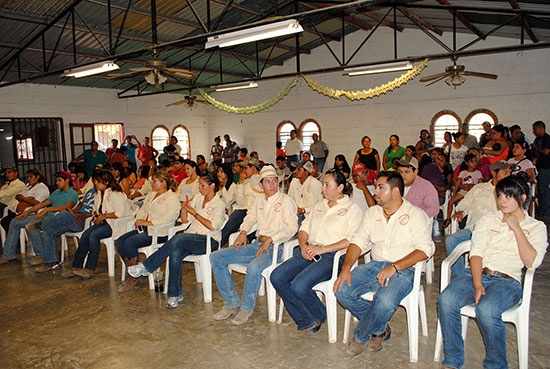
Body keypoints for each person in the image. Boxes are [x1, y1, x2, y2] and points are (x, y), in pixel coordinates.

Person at [438, 176, 547, 369]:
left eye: (508, 196)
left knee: (487, 310)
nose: (502, 200)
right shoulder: (489, 219)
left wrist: (516, 228)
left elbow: (531, 261)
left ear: (522, 198)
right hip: (477, 274)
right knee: (446, 300)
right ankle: (453, 360)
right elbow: (477, 253)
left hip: (507, 281)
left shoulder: (536, 227)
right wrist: (478, 284)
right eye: (500, 195)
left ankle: (496, 365)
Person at [334, 171, 434, 356]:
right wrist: (346, 268)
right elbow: (357, 242)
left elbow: (424, 250)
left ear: (395, 191)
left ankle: (360, 336)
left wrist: (394, 267)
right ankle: (380, 329)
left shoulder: (415, 215)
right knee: (341, 289)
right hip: (376, 265)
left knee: (384, 300)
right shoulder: (372, 213)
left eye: (381, 188)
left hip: (404, 269)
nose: (375, 192)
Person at [271, 170, 362, 338]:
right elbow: (304, 227)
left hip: (333, 256)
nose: (323, 189)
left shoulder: (351, 209)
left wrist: (324, 249)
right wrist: (303, 244)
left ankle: (313, 318)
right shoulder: (320, 205)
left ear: (340, 187)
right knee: (277, 276)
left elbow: (351, 240)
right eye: (323, 185)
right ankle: (310, 317)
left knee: (299, 285)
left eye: (327, 185)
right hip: (311, 251)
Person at [210, 165, 298, 325]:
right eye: (267, 182)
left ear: (278, 182)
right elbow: (250, 218)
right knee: (216, 257)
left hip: (275, 248)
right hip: (257, 244)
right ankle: (231, 303)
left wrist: (272, 239)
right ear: (261, 185)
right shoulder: (259, 201)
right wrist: (243, 231)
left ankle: (245, 308)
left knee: (254, 267)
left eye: (274, 181)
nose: (271, 185)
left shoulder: (286, 201)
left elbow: (292, 228)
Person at [128, 173, 227, 308]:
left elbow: (212, 226)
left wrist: (195, 213)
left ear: (212, 186)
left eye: (202, 186)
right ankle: (174, 295)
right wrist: (184, 211)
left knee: (179, 238)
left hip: (209, 240)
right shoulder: (198, 198)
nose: (199, 188)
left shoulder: (219, 204)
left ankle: (147, 266)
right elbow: (186, 222)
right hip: (192, 237)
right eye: (199, 185)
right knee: (175, 252)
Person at [445, 161, 513, 278]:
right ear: (493, 173)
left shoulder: (510, 191)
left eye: (509, 173)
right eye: (504, 172)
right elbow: (463, 204)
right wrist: (461, 211)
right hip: (473, 229)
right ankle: (461, 277)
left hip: (496, 232)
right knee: (451, 241)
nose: (508, 176)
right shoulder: (479, 188)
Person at [115, 171, 181, 292]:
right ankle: (134, 272)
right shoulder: (151, 195)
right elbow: (143, 210)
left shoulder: (172, 198)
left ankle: (133, 279)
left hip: (160, 232)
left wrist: (150, 223)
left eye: (155, 181)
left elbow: (170, 217)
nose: (152, 183)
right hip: (145, 229)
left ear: (163, 183)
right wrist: (139, 219)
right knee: (120, 241)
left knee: (130, 242)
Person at [3, 171, 77, 268]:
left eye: (59, 180)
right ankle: (8, 255)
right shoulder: (57, 192)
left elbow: (66, 208)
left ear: (67, 180)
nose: (57, 182)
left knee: (32, 226)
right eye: (57, 180)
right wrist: (27, 212)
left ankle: (41, 255)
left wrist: (47, 210)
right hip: (45, 215)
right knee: (15, 221)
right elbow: (42, 204)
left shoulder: (72, 193)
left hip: (55, 217)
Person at [69, 170, 131, 278]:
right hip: (105, 223)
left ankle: (90, 268)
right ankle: (76, 266)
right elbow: (97, 210)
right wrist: (95, 216)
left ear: (106, 182)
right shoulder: (99, 194)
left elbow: (120, 213)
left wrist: (104, 216)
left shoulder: (116, 194)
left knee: (94, 235)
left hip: (115, 224)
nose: (95, 184)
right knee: (85, 235)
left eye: (97, 182)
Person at [219, 158, 263, 247]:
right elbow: (240, 201)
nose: (244, 171)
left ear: (253, 168)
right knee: (231, 222)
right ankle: (218, 244)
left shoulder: (262, 181)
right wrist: (240, 182)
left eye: (246, 168)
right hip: (244, 209)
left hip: (257, 211)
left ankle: (217, 245)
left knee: (237, 217)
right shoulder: (245, 182)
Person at [0, 169, 49, 246]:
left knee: (11, 221)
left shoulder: (41, 187)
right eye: (28, 177)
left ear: (37, 177)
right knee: (5, 220)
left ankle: (15, 243)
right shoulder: (28, 186)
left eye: (31, 177)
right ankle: (15, 241)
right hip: (21, 209)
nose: (28, 179)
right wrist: (25, 198)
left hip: (32, 212)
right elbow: (19, 196)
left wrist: (24, 199)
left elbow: (37, 203)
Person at [443, 153, 483, 228]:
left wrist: (473, 186)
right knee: (451, 201)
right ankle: (448, 218)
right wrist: (454, 193)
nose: (474, 163)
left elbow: (481, 184)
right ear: (467, 163)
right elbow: (458, 183)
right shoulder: (463, 172)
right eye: (472, 161)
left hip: (473, 191)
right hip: (464, 191)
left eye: (475, 161)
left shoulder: (478, 173)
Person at [288, 161, 322, 226]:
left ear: (306, 172)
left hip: (310, 216)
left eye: (299, 169)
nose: (295, 171)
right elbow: (290, 200)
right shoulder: (294, 182)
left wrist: (304, 210)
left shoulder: (315, 184)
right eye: (296, 169)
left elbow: (320, 205)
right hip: (296, 214)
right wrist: (294, 210)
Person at [531, 120, 550, 217]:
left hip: (546, 167)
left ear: (541, 128)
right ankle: (542, 207)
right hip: (539, 166)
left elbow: (546, 151)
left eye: (535, 129)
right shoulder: (537, 139)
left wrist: (535, 147)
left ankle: (545, 209)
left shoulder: (547, 138)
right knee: (540, 189)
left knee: (544, 189)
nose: (534, 131)